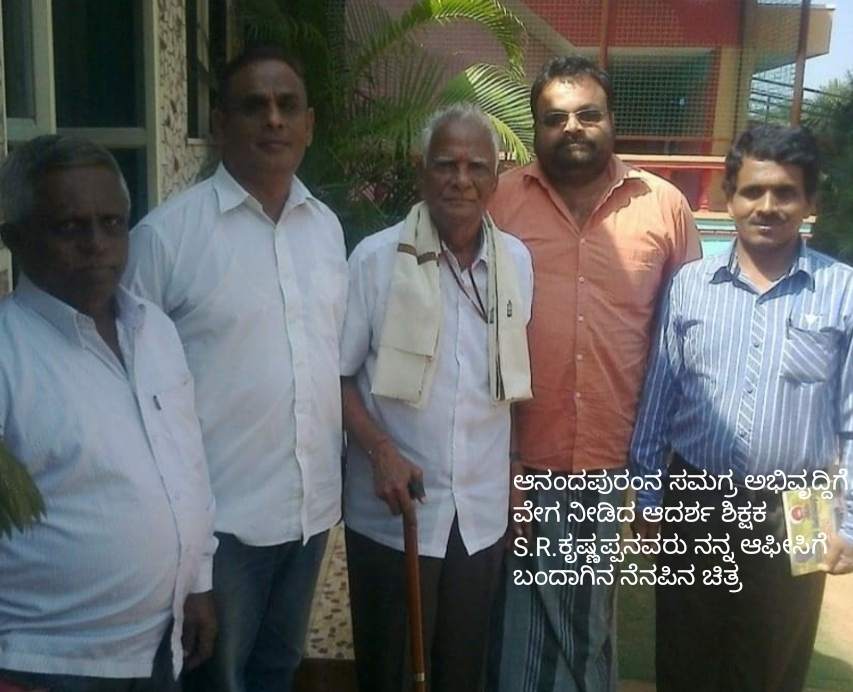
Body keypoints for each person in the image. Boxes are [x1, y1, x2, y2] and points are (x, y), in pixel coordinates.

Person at [123, 45, 347, 692]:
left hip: (308, 517)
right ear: (221, 123)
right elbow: (129, 393)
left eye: (287, 106)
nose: (273, 120)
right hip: (219, 531)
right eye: (254, 106)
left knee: (277, 672)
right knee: (214, 682)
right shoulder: (166, 240)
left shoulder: (325, 229)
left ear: (309, 124)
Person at [488, 55, 702, 691]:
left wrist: (657, 473)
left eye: (588, 114)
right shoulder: (500, 200)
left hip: (615, 464)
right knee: (513, 629)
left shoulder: (662, 206)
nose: (572, 128)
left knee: (586, 630)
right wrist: (502, 460)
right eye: (555, 118)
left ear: (613, 120)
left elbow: (687, 335)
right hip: (513, 457)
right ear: (536, 127)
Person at [631, 124, 853, 691]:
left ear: (809, 201)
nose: (767, 206)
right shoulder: (690, 285)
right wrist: (649, 496)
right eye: (753, 191)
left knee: (775, 663)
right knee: (685, 656)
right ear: (729, 197)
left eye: (785, 192)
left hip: (804, 504)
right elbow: (660, 396)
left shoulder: (842, 291)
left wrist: (848, 522)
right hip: (694, 494)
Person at [0, 135, 217, 691]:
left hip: (159, 649)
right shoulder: (6, 355)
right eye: (69, 227)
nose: (97, 244)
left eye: (112, 223)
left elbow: (186, 461)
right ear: (15, 239)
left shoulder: (154, 329)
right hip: (48, 666)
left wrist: (197, 581)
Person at [341, 103, 534, 692]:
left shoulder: (516, 263)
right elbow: (336, 378)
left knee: (462, 674)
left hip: (480, 516)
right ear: (422, 172)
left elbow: (510, 389)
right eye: (446, 164)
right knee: (393, 674)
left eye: (477, 167)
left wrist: (514, 477)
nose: (461, 179)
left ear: (494, 182)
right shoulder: (375, 260)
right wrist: (380, 451)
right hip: (396, 515)